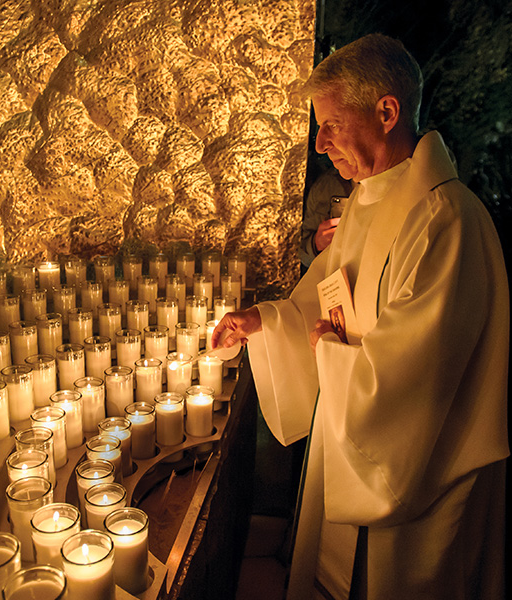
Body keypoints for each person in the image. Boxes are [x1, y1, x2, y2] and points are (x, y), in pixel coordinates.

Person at [212, 34, 508, 600]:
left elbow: (413, 379)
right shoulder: (365, 204)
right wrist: (267, 322)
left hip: (421, 483)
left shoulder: (446, 222)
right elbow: (324, 302)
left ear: (387, 111)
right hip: (349, 443)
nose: (320, 145)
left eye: (331, 124)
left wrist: (331, 351)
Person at [300, 165, 354, 269]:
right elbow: (303, 256)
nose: (322, 149)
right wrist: (316, 244)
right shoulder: (326, 185)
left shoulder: (389, 186)